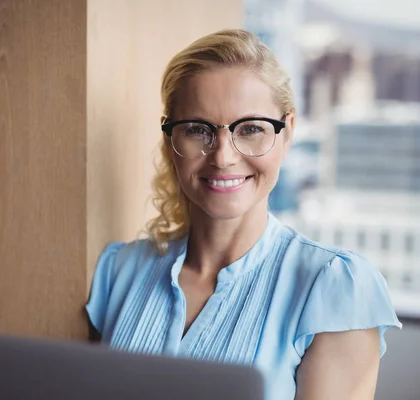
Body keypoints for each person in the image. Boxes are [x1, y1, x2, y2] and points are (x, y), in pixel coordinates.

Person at [85, 29, 401, 400]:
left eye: (250, 129)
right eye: (198, 130)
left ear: (287, 134)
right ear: (170, 142)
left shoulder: (335, 288)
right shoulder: (118, 271)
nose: (223, 157)